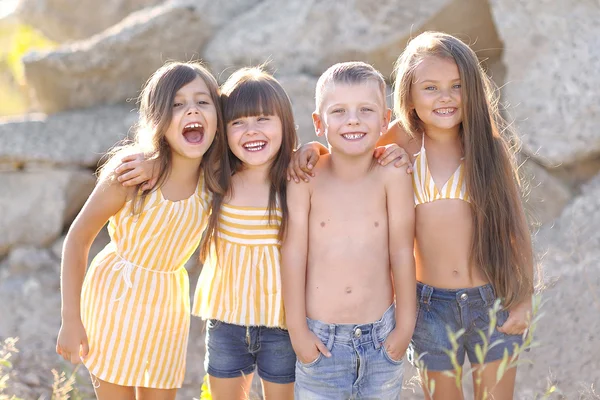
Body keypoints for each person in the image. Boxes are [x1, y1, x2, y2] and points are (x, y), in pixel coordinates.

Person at [291, 32, 535, 400]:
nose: (445, 97)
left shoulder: (488, 150)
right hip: (429, 306)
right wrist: (310, 148)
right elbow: (350, 142)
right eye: (431, 88)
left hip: (492, 298)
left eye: (456, 86)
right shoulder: (401, 140)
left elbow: (517, 227)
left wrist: (525, 296)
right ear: (409, 94)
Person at [56, 61, 224, 400]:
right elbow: (78, 238)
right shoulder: (133, 174)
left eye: (202, 101)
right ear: (158, 118)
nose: (191, 110)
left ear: (219, 115)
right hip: (113, 297)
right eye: (177, 104)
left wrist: (309, 151)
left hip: (168, 305)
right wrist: (70, 319)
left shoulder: (217, 177)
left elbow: (264, 148)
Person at [282, 61, 416, 400]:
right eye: (339, 111)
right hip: (320, 341)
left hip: (381, 339)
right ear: (318, 123)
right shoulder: (306, 177)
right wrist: (298, 331)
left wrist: (404, 327)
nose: (353, 120)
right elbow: (294, 253)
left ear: (385, 120)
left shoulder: (392, 174)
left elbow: (402, 250)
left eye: (366, 110)